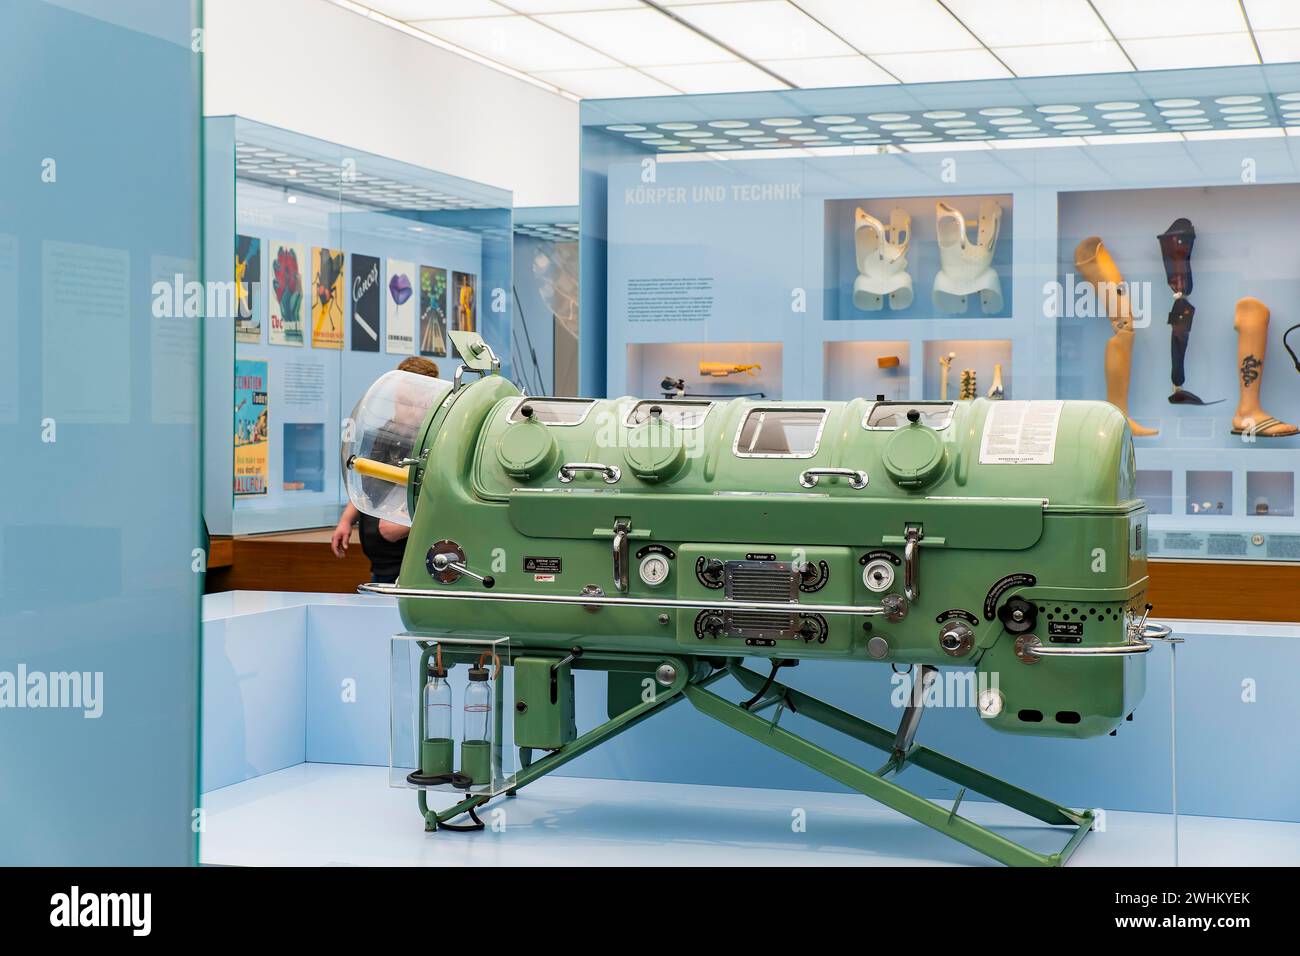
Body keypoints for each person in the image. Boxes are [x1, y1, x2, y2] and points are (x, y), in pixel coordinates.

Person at [331, 356, 440, 583]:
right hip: (379, 565)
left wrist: (406, 524)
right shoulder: (386, 433)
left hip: (412, 567)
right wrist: (346, 520)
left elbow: (441, 500)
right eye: (399, 401)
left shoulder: (437, 441)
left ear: (430, 401)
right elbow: (369, 481)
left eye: (410, 403)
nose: (402, 410)